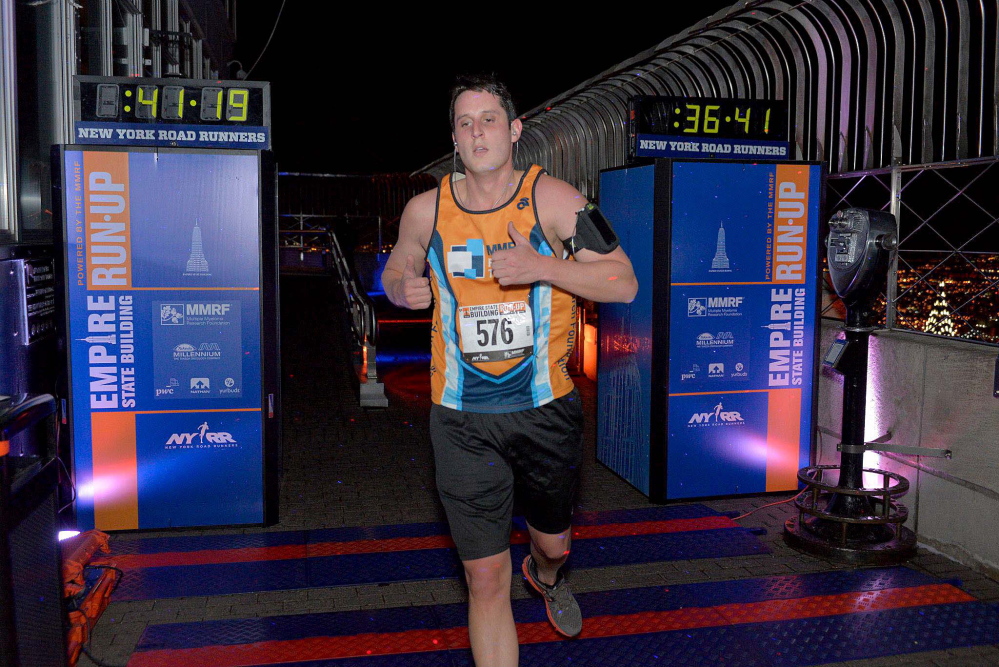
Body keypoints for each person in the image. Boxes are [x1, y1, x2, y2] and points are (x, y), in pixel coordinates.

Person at [381, 73, 637, 667]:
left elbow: (622, 281)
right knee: (485, 581)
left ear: (515, 129)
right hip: (461, 420)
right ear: (453, 137)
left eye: (490, 119)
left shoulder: (556, 200)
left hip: (545, 411)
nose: (478, 132)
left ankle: (546, 574)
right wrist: (402, 287)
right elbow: (398, 265)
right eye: (466, 123)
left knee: (553, 543)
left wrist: (542, 267)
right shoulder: (426, 209)